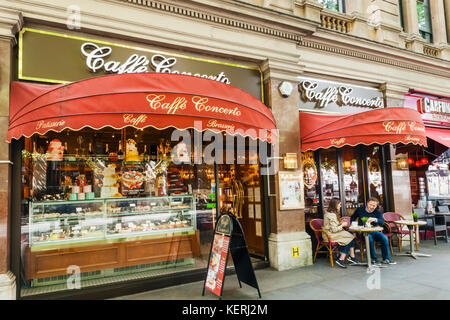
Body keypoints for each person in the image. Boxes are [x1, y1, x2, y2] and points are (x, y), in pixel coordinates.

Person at [351, 197, 396, 265]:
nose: (372, 207)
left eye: (374, 206)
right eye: (370, 205)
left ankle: (386, 258)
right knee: (369, 239)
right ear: (367, 203)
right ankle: (374, 259)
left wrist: (375, 219)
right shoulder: (360, 209)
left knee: (384, 238)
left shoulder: (377, 212)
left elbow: (382, 222)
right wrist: (354, 226)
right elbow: (352, 217)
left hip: (373, 231)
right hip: (362, 232)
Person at [323, 198, 358, 268]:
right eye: (339, 204)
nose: (340, 206)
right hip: (330, 235)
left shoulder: (332, 213)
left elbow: (333, 226)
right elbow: (334, 230)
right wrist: (342, 225)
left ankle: (350, 257)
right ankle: (344, 258)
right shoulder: (330, 215)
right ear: (335, 205)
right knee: (350, 237)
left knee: (351, 234)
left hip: (333, 233)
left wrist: (340, 223)